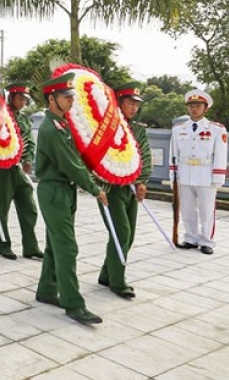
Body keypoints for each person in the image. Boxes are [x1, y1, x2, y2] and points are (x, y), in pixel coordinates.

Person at [34, 73, 108, 325]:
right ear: (52, 99)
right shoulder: (51, 129)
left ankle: (46, 289)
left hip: (63, 189)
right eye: (66, 97)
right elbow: (69, 164)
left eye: (71, 96)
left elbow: (76, 158)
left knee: (55, 243)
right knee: (67, 246)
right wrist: (94, 187)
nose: (71, 101)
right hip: (54, 190)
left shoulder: (61, 123)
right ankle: (73, 303)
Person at [93, 82, 153, 299]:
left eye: (137, 104)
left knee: (129, 233)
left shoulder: (137, 128)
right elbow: (93, 155)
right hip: (111, 189)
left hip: (130, 189)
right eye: (130, 103)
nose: (134, 107)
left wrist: (142, 181)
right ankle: (118, 281)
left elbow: (144, 154)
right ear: (118, 102)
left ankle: (107, 273)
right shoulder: (104, 127)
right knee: (121, 232)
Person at [170, 88, 229, 255]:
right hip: (184, 173)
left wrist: (218, 177)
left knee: (206, 210)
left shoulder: (216, 129)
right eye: (191, 105)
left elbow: (220, 154)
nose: (194, 108)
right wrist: (173, 176)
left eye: (197, 105)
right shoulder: (178, 129)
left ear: (205, 108)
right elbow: (174, 154)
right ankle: (190, 238)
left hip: (206, 174)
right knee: (187, 209)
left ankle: (207, 240)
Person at [0, 83, 43, 260]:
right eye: (20, 98)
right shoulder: (1, 117)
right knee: (2, 207)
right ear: (11, 97)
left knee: (29, 207)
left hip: (20, 170)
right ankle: (3, 244)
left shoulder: (24, 119)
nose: (22, 103)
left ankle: (30, 246)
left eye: (25, 100)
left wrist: (29, 159)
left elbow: (30, 141)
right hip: (3, 169)